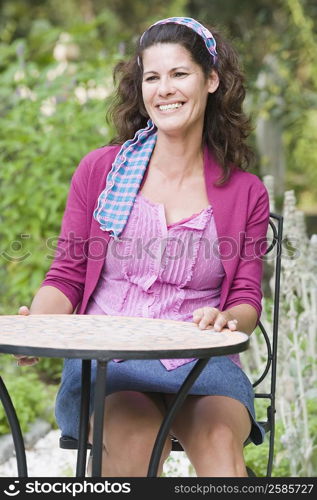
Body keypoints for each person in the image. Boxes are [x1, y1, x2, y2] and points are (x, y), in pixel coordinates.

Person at [16, 17, 270, 477]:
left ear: (211, 80)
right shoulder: (101, 171)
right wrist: (41, 326)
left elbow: (245, 298)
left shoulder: (245, 191)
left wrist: (226, 318)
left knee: (218, 443)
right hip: (110, 364)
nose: (164, 89)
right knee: (136, 437)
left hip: (199, 363)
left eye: (179, 74)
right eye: (152, 77)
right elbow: (67, 276)